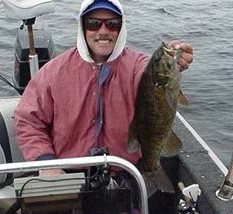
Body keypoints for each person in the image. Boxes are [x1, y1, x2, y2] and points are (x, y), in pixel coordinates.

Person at [14, 0, 193, 209]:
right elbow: (28, 119)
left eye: (112, 24)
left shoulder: (138, 66)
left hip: (125, 176)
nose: (103, 31)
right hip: (69, 179)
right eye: (93, 23)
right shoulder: (53, 71)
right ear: (82, 26)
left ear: (121, 27)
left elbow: (149, 76)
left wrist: (173, 62)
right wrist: (46, 163)